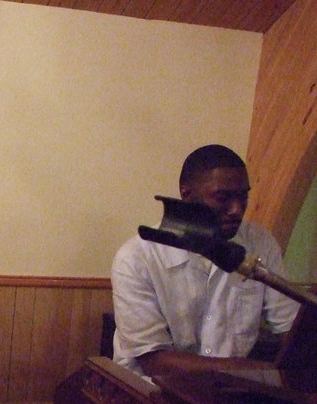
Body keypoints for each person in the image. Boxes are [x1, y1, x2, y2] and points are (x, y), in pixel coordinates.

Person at [111, 144, 300, 378]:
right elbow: (154, 361)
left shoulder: (260, 243)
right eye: (223, 198)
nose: (237, 210)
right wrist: (256, 370)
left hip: (229, 392)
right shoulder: (136, 258)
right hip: (150, 392)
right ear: (187, 195)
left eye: (243, 197)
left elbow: (289, 328)